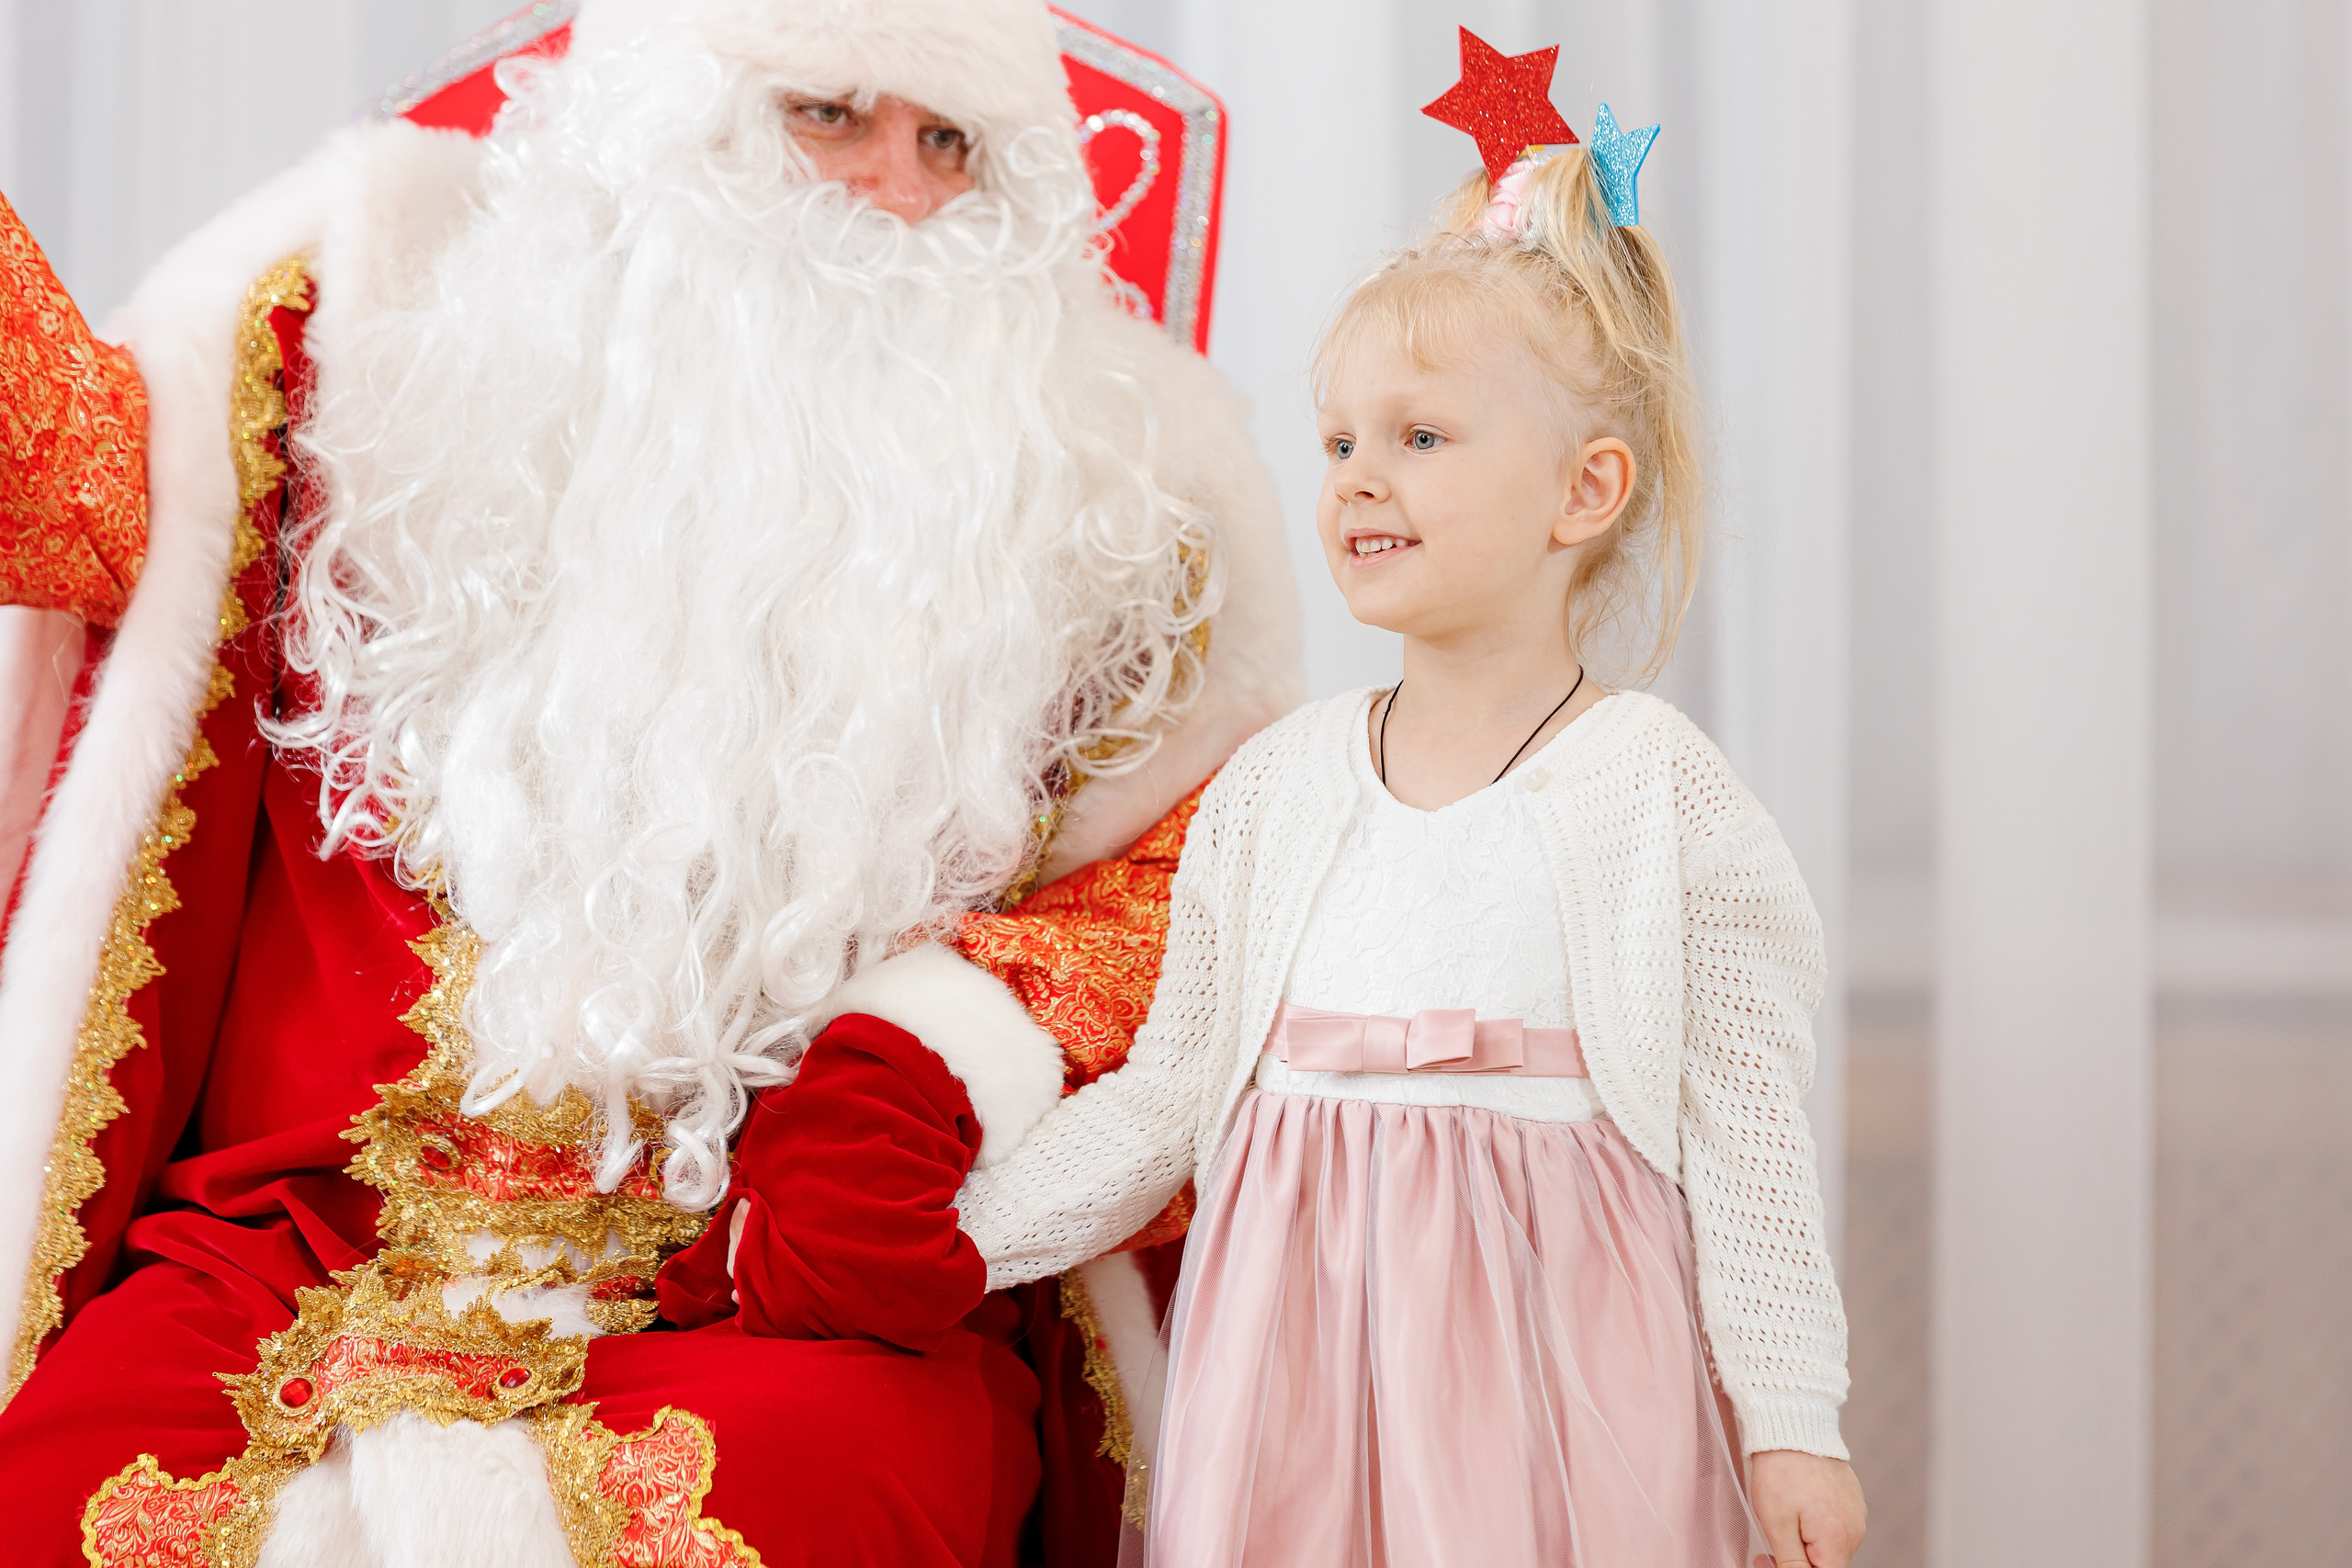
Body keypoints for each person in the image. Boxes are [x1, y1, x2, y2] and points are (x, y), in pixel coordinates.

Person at [0, 1, 1299, 1562]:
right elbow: (80, 513)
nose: (897, 185)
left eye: (949, 142)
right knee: (62, 1489)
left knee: (824, 1500)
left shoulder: (1112, 516)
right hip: (300, 1243)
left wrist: (938, 1053)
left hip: (759, 1272)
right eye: (832, 114)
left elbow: (1193, 872)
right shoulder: (354, 343)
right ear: (665, 123)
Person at [955, 128, 1870, 1566]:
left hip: (1558, 1398)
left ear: (1587, 491)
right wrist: (955, 1243)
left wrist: (1792, 1421)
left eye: (1422, 437)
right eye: (1339, 443)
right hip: (1293, 1400)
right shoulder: (1273, 791)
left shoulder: (1658, 797)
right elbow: (1166, 1101)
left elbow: (1746, 1141)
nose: (1359, 480)